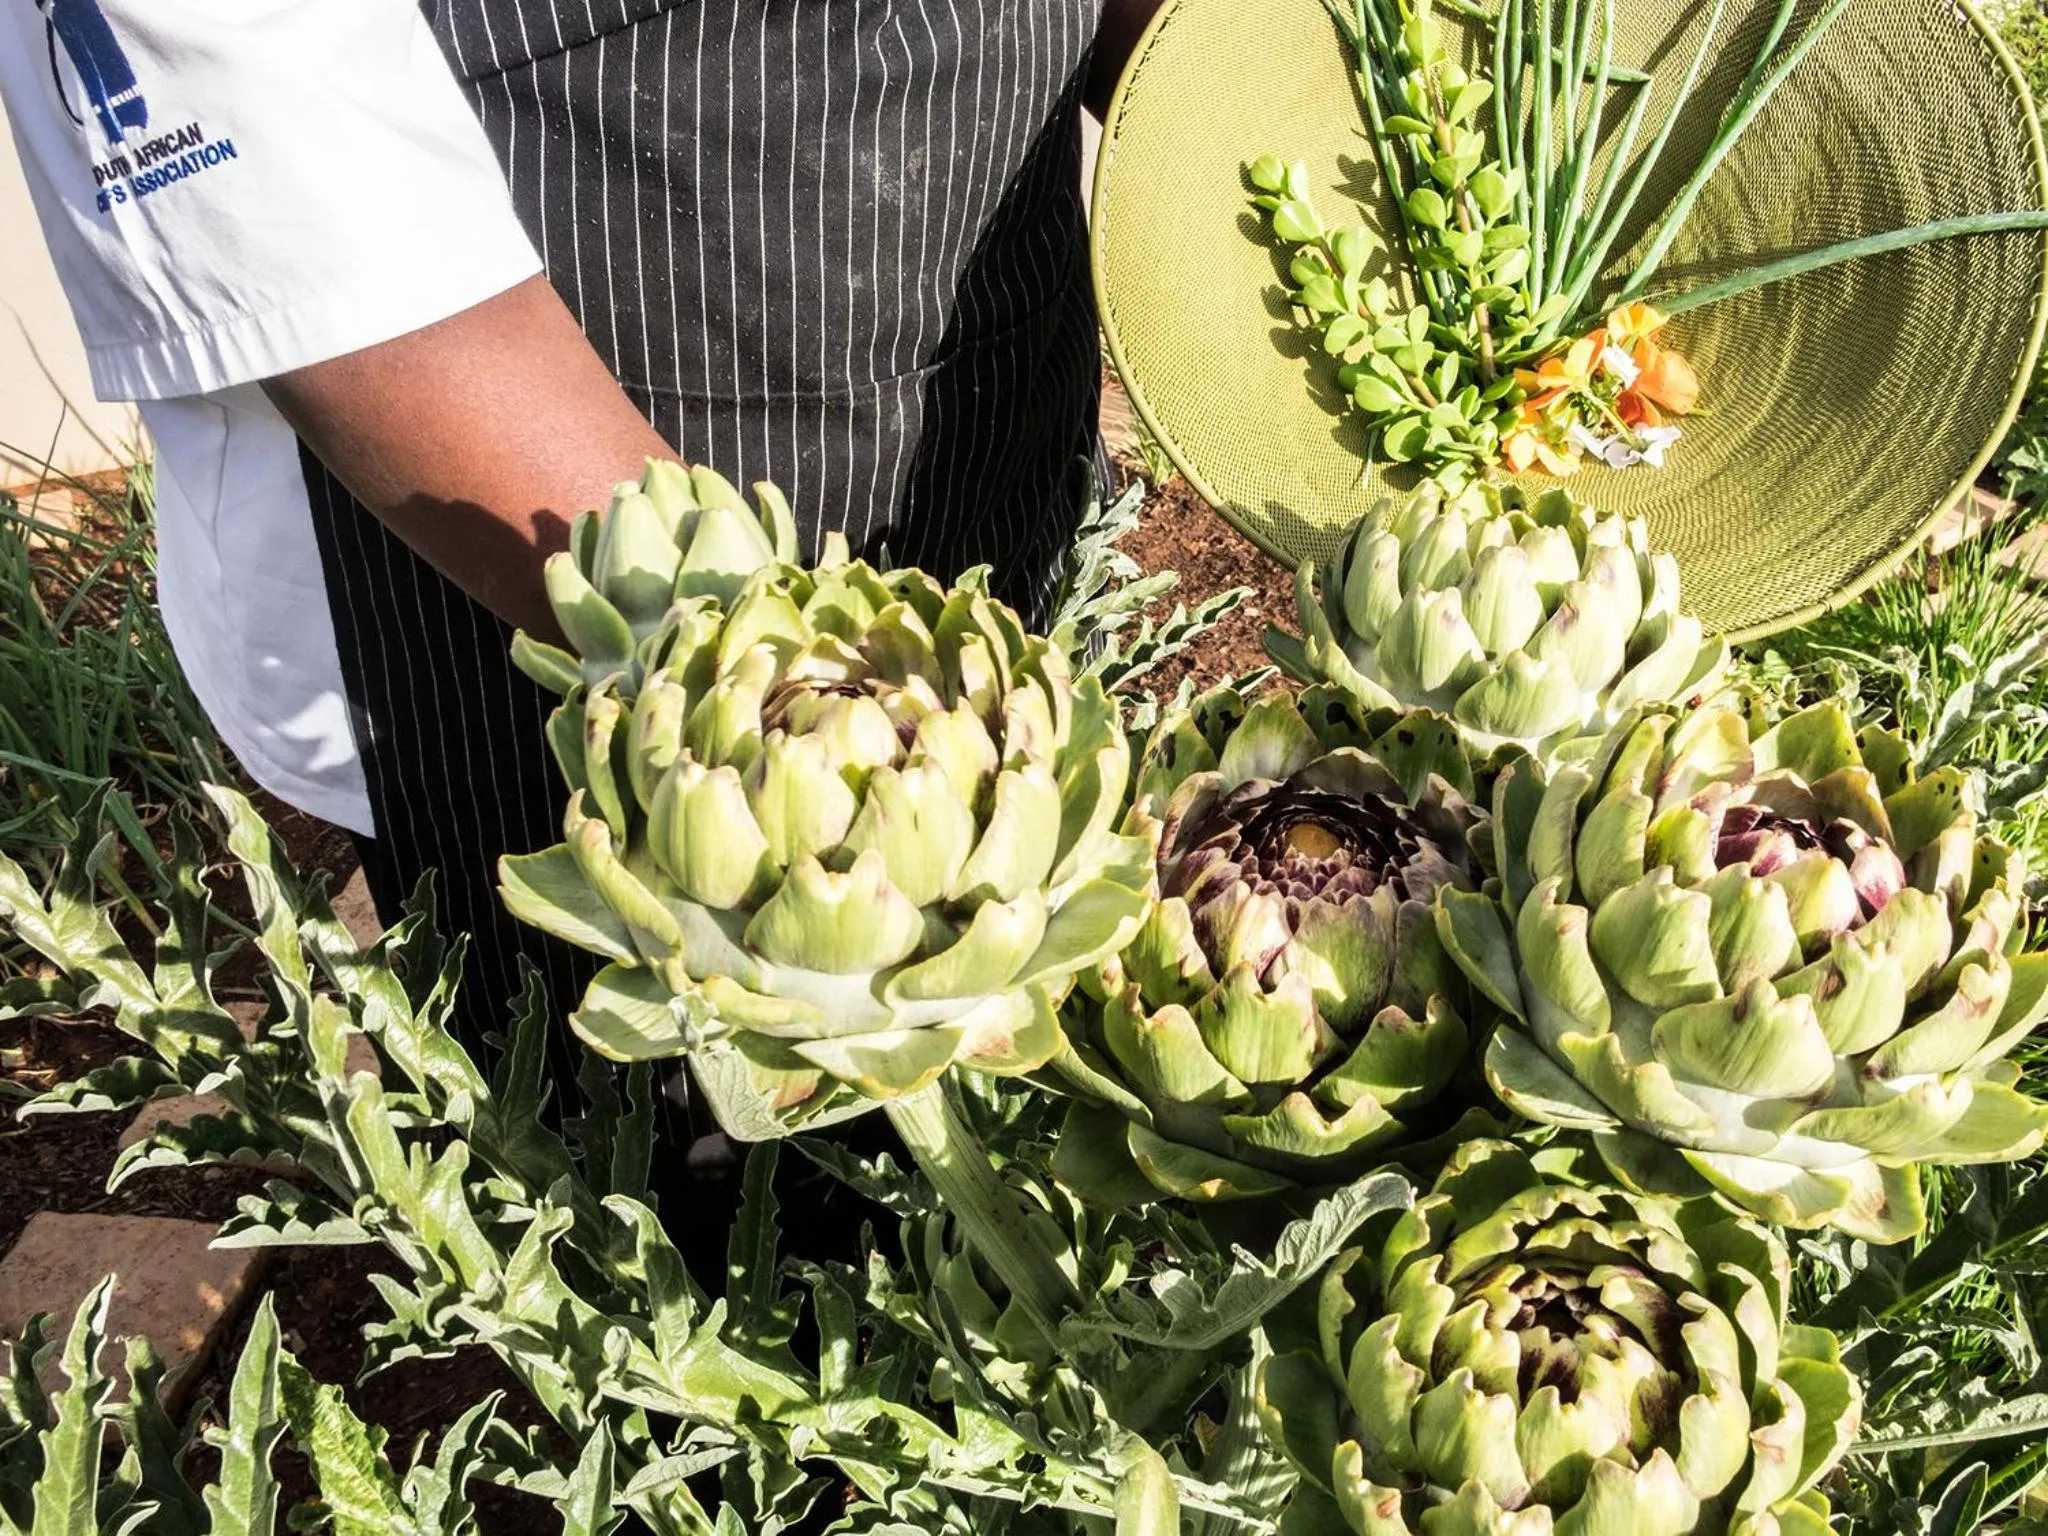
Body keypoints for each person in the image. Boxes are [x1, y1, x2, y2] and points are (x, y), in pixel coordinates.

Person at [3, 0, 1164, 1258]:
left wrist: (1223, 102)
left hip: (980, 368)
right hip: (517, 499)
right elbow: (267, 134)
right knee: (687, 1223)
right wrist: (731, 725)